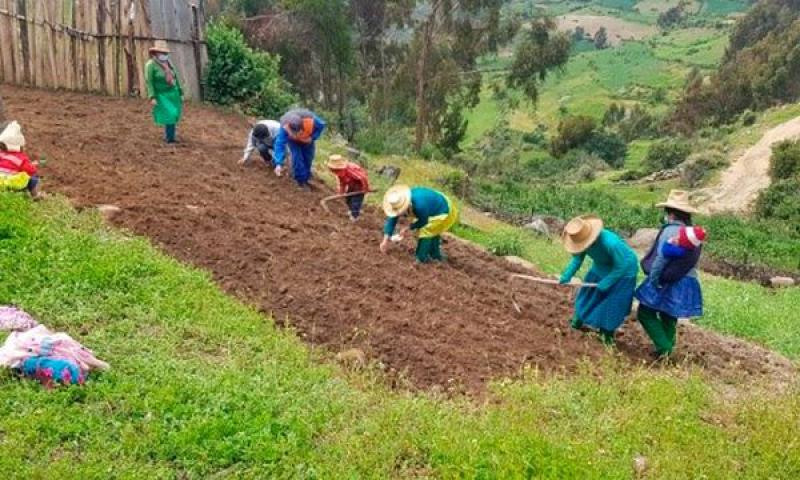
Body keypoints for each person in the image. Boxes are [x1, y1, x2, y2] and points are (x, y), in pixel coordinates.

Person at [635, 190, 704, 359]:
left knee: (645, 312)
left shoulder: (670, 231)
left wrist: (653, 279)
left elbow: (661, 258)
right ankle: (664, 352)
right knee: (669, 315)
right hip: (687, 280)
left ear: (670, 213)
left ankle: (665, 349)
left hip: (667, 279)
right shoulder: (691, 234)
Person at [559, 215, 639, 345]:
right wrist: (567, 274)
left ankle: (606, 336)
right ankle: (577, 322)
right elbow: (577, 259)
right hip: (601, 267)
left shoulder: (611, 243)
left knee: (612, 305)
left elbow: (624, 264)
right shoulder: (581, 242)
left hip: (624, 272)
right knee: (588, 296)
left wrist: (608, 281)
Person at [380, 185, 458, 263]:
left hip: (443, 209)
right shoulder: (400, 201)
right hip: (433, 203)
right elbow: (392, 219)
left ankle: (421, 258)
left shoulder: (419, 206)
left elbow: (423, 221)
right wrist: (385, 241)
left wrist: (409, 227)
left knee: (426, 230)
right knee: (433, 230)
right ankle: (435, 254)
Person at [272, 109, 326, 189]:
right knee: (297, 158)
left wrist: (312, 137)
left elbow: (322, 126)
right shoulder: (285, 127)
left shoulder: (311, 119)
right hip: (294, 143)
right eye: (294, 132)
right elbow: (279, 144)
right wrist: (278, 163)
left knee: (308, 159)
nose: (296, 134)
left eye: (297, 132)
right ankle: (300, 181)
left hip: (308, 140)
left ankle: (306, 178)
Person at [145, 40, 183, 144]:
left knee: (174, 114)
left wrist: (180, 92)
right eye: (162, 53)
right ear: (155, 53)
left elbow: (176, 77)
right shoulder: (150, 65)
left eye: (165, 53)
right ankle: (169, 138)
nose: (164, 55)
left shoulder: (168, 63)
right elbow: (150, 82)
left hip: (172, 93)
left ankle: (171, 136)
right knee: (169, 114)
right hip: (161, 94)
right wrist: (152, 97)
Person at [0, 121, 42, 199]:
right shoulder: (21, 158)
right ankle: (35, 195)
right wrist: (32, 165)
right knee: (33, 179)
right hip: (11, 184)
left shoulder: (1, 154)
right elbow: (31, 171)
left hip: (1, 182)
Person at [327, 154, 370, 221]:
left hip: (359, 186)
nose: (335, 173)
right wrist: (341, 192)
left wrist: (365, 189)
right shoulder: (340, 174)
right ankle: (353, 210)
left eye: (336, 170)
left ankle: (355, 216)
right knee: (348, 199)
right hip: (351, 185)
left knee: (355, 201)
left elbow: (362, 178)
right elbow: (342, 183)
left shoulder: (350, 170)